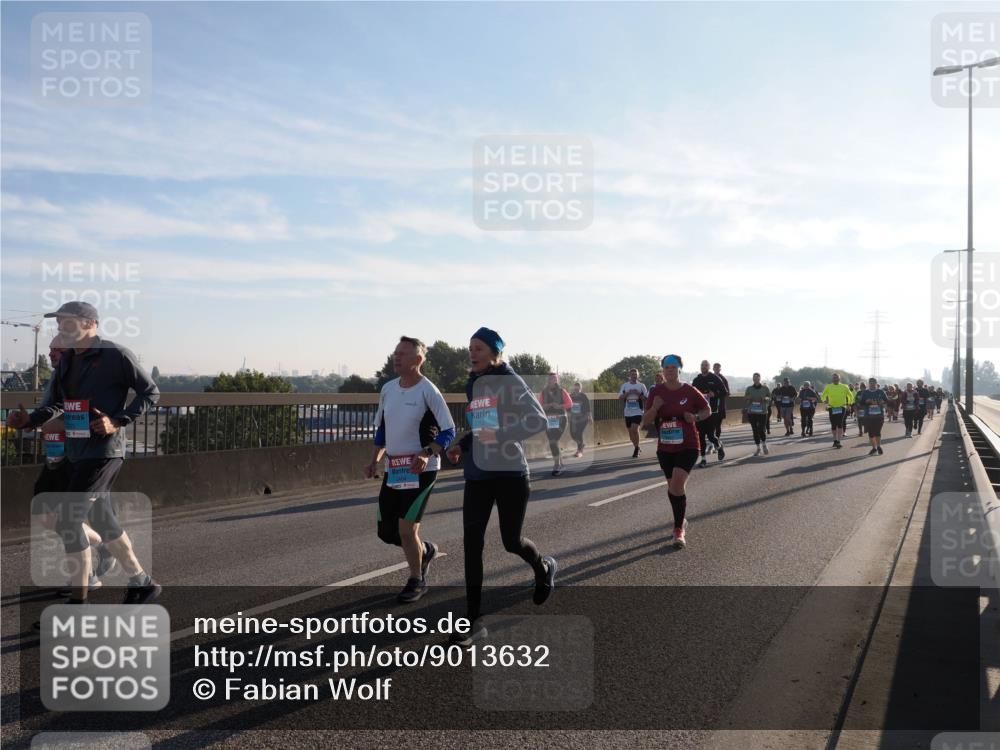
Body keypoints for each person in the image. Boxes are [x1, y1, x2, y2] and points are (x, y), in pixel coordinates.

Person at [6, 301, 160, 606]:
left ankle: (79, 603)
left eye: (67, 322)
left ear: (89, 323)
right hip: (75, 451)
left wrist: (117, 420)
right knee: (103, 522)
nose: (61, 328)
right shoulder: (67, 362)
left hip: (104, 452)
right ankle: (142, 582)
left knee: (68, 519)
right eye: (59, 323)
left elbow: (150, 392)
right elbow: (56, 404)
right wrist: (29, 421)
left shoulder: (116, 355)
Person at [445, 327, 556, 646]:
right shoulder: (473, 383)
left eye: (478, 348)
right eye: (470, 348)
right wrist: (463, 445)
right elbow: (481, 427)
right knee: (472, 544)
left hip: (510, 473)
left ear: (495, 353)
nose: (472, 353)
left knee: (511, 541)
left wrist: (502, 435)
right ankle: (473, 620)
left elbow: (538, 420)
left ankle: (542, 566)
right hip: (478, 474)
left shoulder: (511, 381)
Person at [366, 336, 456, 603]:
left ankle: (416, 579)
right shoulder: (388, 389)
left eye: (402, 354)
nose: (396, 357)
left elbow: (449, 430)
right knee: (386, 532)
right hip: (394, 468)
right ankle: (424, 550)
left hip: (421, 470)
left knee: (407, 529)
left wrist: (427, 453)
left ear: (417, 360)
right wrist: (374, 460)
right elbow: (382, 430)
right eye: (395, 352)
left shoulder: (429, 391)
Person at [640, 355, 710, 549]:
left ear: (679, 369)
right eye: (666, 368)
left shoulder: (689, 390)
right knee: (673, 488)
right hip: (665, 446)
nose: (669, 371)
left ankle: (678, 530)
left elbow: (707, 410)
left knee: (677, 484)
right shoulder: (656, 392)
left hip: (688, 444)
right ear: (662, 370)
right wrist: (655, 407)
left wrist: (695, 417)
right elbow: (646, 420)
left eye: (673, 367)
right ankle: (681, 519)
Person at [692, 360, 726, 468]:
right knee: (700, 435)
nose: (703, 367)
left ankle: (719, 446)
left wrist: (714, 394)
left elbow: (724, 392)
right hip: (700, 411)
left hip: (712, 411)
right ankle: (703, 459)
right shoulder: (697, 380)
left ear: (709, 367)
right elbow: (691, 394)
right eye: (702, 365)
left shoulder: (715, 378)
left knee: (711, 436)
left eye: (706, 365)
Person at [538, 373, 573, 476]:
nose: (551, 380)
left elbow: (570, 404)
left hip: (561, 419)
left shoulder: (562, 391)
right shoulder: (543, 392)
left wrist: (559, 406)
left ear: (557, 380)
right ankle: (561, 464)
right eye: (549, 378)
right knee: (553, 442)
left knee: (553, 441)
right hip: (548, 420)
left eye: (553, 378)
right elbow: (539, 406)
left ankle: (557, 465)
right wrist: (546, 406)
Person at [820, 373, 854, 449]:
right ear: (832, 379)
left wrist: (849, 404)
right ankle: (835, 440)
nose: (835, 379)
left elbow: (850, 395)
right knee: (833, 424)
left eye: (836, 378)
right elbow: (823, 395)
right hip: (832, 407)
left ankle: (838, 441)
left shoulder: (844, 386)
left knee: (840, 423)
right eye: (834, 378)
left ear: (839, 379)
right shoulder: (828, 386)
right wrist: (825, 401)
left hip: (841, 407)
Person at [619, 369, 648, 458]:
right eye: (632, 374)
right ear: (629, 376)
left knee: (634, 429)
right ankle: (637, 447)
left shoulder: (641, 386)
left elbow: (646, 399)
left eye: (635, 374)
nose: (634, 376)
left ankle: (636, 450)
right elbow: (620, 397)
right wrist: (627, 393)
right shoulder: (625, 385)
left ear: (638, 376)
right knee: (631, 434)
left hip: (638, 411)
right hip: (628, 412)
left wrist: (638, 394)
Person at [856, 377, 889, 455]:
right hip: (868, 416)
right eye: (870, 383)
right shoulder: (865, 392)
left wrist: (882, 402)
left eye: (873, 383)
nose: (872, 384)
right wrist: (866, 401)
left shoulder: (881, 392)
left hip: (879, 416)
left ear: (876, 383)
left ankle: (879, 446)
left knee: (877, 432)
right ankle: (874, 448)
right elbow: (860, 403)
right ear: (869, 384)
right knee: (871, 433)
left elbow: (886, 401)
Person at [744, 373, 771, 455]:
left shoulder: (765, 388)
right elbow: (745, 399)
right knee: (755, 430)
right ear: (753, 379)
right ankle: (758, 448)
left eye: (757, 378)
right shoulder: (749, 388)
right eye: (754, 378)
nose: (755, 379)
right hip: (752, 412)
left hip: (762, 412)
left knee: (761, 429)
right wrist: (748, 398)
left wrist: (765, 398)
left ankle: (764, 444)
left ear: (759, 379)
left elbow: (769, 398)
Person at [568, 382, 592, 458]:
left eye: (578, 388)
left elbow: (588, 407)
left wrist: (590, 417)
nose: (576, 389)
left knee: (579, 433)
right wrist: (568, 415)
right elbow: (568, 407)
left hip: (583, 418)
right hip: (573, 418)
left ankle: (579, 451)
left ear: (580, 388)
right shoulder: (570, 396)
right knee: (572, 434)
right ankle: (581, 444)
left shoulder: (583, 396)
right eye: (575, 388)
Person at [712, 362, 730, 443]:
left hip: (720, 407)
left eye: (718, 368)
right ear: (713, 368)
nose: (716, 369)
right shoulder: (709, 377)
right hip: (710, 406)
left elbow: (727, 393)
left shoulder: (723, 379)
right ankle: (712, 441)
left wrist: (717, 394)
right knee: (711, 425)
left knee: (717, 425)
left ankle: (717, 440)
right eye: (715, 367)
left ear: (720, 369)